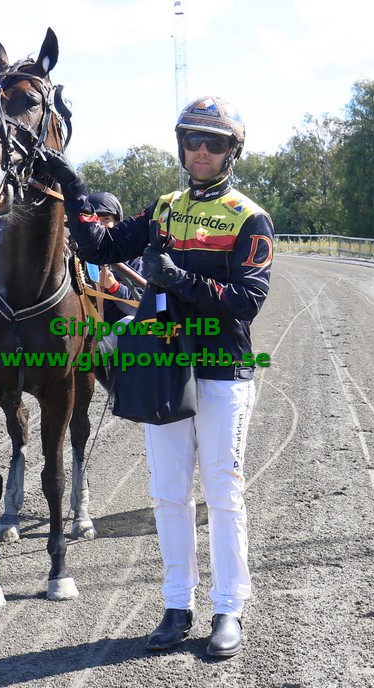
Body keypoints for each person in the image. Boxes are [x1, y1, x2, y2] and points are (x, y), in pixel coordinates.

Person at [38, 96, 274, 657]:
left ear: (232, 152)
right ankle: (176, 605)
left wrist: (178, 280)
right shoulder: (163, 209)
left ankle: (228, 609)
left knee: (223, 493)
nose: (201, 151)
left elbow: (248, 300)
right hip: (166, 369)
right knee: (168, 493)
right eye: (193, 140)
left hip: (221, 371)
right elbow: (98, 246)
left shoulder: (251, 218)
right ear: (181, 146)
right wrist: (72, 185)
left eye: (214, 142)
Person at [87, 191, 142, 325]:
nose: (100, 225)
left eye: (106, 219)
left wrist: (114, 287)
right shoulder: (76, 257)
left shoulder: (133, 258)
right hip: (82, 326)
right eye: (95, 219)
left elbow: (141, 307)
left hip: (118, 329)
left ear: (117, 222)